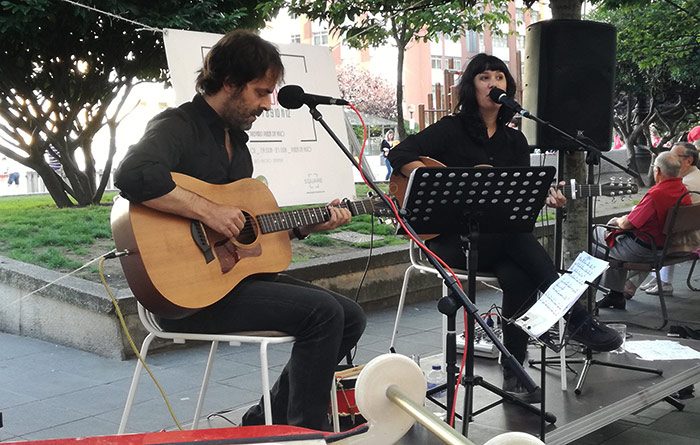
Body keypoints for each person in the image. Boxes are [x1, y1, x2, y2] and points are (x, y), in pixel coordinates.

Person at [114, 30, 366, 431]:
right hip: (183, 298)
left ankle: (265, 420)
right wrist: (207, 210)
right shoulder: (178, 126)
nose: (268, 104)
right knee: (321, 314)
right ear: (229, 83)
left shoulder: (237, 144)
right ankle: (305, 433)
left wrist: (304, 227)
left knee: (350, 316)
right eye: (261, 92)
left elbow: (245, 237)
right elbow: (132, 174)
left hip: (227, 284)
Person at [387, 53, 621, 403]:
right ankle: (573, 317)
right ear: (471, 86)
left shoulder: (515, 142)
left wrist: (546, 197)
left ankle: (514, 364)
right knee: (518, 243)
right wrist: (433, 179)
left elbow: (517, 203)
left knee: (519, 272)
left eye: (499, 77)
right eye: (484, 77)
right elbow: (398, 154)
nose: (493, 83)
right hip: (446, 239)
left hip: (499, 241)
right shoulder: (450, 130)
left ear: (507, 88)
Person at [595, 151, 692, 309]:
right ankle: (615, 294)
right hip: (667, 247)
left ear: (658, 171)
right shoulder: (683, 190)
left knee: (595, 235)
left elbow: (627, 224)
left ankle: (598, 294)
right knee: (612, 242)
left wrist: (617, 220)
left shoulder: (656, 193)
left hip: (645, 250)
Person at [638, 142, 700, 295]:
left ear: (688, 160)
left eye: (674, 157)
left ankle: (629, 287)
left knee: (644, 237)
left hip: (685, 239)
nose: (670, 160)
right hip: (689, 231)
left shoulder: (684, 184)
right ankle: (657, 280)